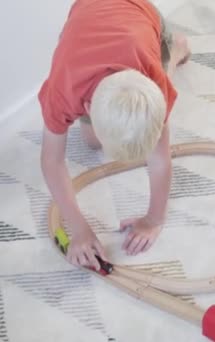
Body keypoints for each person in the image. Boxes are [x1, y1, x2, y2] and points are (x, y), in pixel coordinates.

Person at [39, 0, 191, 270]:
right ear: (86, 107)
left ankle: (175, 51)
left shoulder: (151, 82)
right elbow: (52, 161)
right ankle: (177, 51)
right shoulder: (62, 91)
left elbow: (160, 160)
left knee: (141, 130)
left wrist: (154, 220)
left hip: (141, 17)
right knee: (91, 142)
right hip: (87, 21)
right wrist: (79, 229)